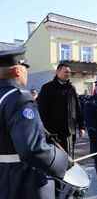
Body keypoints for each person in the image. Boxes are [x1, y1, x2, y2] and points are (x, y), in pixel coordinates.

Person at [0, 47, 68, 199]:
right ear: (18, 70)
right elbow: (32, 149)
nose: (27, 73)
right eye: (25, 68)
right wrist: (62, 161)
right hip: (22, 183)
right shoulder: (19, 98)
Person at [37, 62, 85, 156]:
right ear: (57, 72)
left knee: (69, 158)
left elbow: (77, 108)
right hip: (54, 133)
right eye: (65, 72)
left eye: (69, 72)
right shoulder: (47, 88)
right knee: (57, 159)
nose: (68, 74)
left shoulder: (71, 88)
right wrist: (44, 130)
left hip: (70, 131)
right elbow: (41, 110)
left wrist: (81, 126)